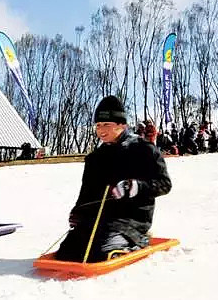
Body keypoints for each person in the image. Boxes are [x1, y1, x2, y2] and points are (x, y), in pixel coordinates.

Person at [55, 95, 172, 263]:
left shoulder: (144, 150)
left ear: (122, 125)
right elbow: (87, 192)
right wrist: (79, 212)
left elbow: (164, 184)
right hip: (99, 219)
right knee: (68, 252)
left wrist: (135, 187)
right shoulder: (95, 158)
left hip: (131, 220)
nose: (101, 130)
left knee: (103, 253)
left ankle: (139, 240)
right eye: (98, 125)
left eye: (107, 125)